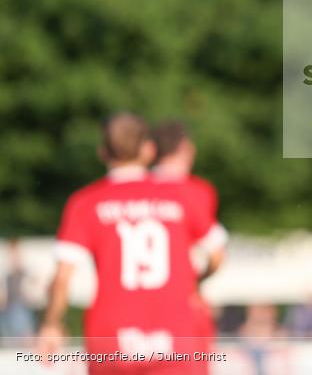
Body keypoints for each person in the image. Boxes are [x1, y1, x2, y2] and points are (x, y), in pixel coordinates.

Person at [38, 113, 226, 374]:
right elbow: (217, 255)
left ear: (103, 153)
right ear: (148, 150)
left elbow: (61, 278)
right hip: (174, 336)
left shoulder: (85, 203)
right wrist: (195, 282)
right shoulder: (182, 195)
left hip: (111, 338)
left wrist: (52, 323)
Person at [151, 120, 228, 373]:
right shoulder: (197, 191)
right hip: (183, 303)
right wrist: (197, 282)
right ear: (185, 148)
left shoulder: (136, 188)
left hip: (141, 304)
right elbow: (216, 255)